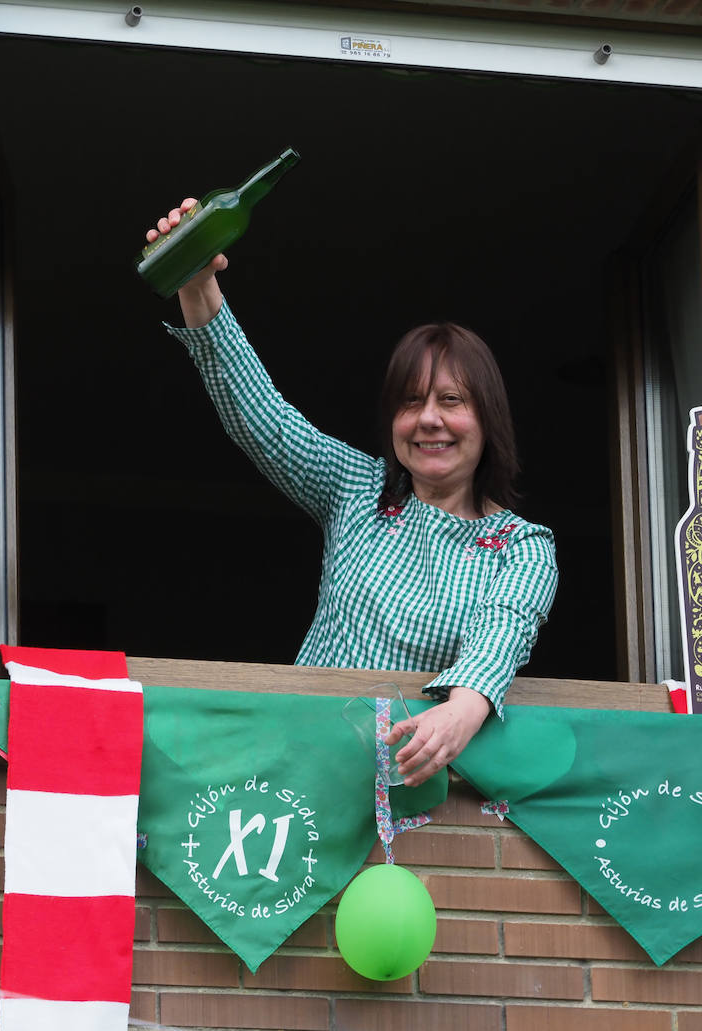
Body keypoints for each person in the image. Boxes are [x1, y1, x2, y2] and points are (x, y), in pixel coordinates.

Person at [149, 199, 558, 786]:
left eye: (451, 401)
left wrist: (465, 709)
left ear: (488, 419)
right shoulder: (360, 488)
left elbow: (504, 631)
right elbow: (263, 417)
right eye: (411, 402)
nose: (428, 421)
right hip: (289, 763)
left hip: (403, 789)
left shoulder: (520, 546)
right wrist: (196, 283)